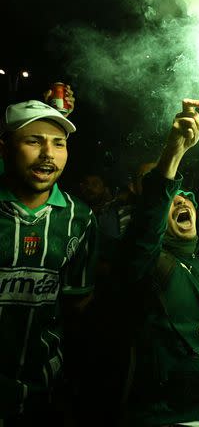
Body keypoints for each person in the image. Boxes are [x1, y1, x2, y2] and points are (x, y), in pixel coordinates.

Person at [116, 98, 199, 426]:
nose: (181, 200)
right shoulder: (146, 261)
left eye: (186, 198)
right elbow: (147, 222)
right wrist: (175, 150)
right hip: (163, 418)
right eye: (171, 198)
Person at [0, 100, 97, 424]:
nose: (48, 154)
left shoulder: (79, 219)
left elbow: (77, 308)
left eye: (59, 143)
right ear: (5, 149)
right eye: (33, 141)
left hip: (45, 396)